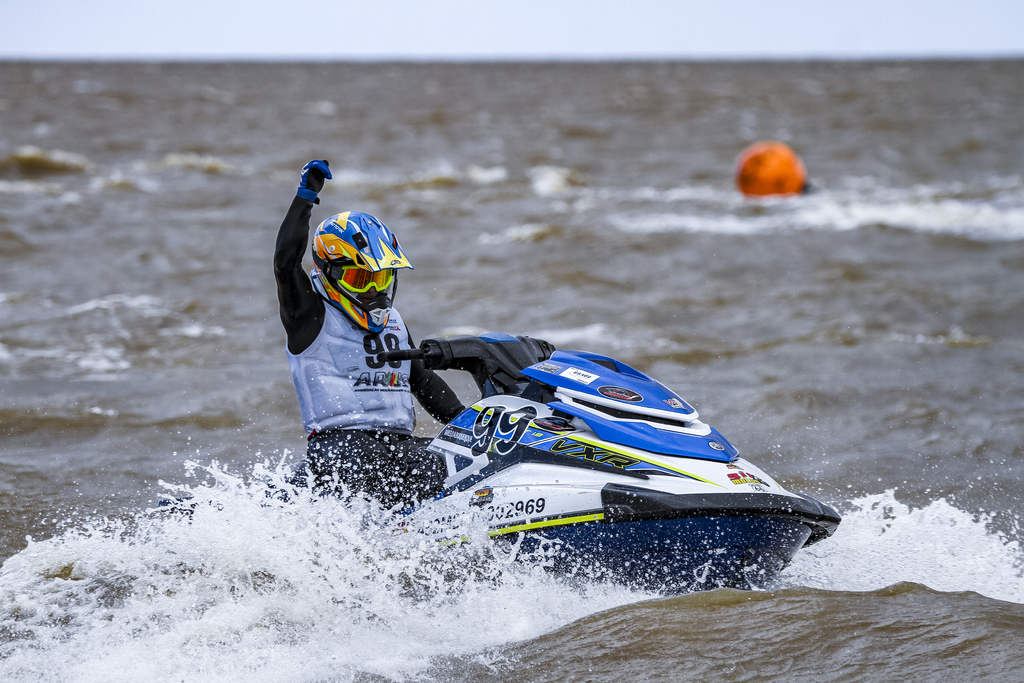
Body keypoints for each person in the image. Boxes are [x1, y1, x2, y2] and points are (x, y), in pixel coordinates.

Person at [274, 159, 465, 509]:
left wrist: (470, 430)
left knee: (461, 467)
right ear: (331, 274)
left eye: (381, 280)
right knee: (369, 470)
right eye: (362, 281)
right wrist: (306, 196)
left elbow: (423, 382)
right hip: (341, 449)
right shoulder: (308, 315)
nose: (375, 293)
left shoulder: (393, 320)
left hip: (398, 445)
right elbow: (285, 264)